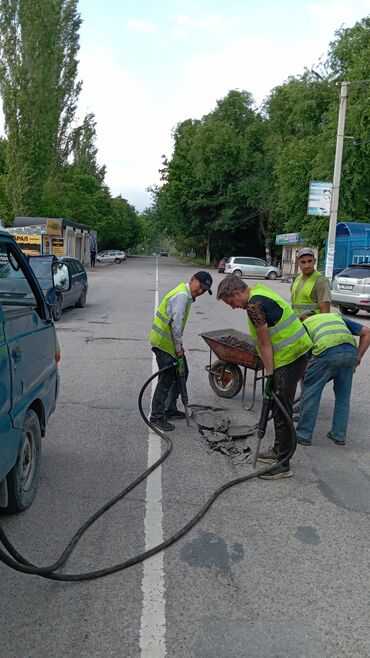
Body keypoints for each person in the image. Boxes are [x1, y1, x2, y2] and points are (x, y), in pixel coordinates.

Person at [217, 274, 312, 480]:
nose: (233, 307)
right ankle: (278, 451)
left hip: (290, 356)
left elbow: (265, 344)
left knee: (281, 409)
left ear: (236, 293)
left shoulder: (254, 307)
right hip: (297, 352)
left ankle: (283, 464)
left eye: (231, 302)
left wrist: (269, 375)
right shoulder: (260, 291)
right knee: (278, 406)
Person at [149, 271, 213, 432]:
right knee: (166, 379)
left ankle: (169, 409)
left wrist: (178, 346)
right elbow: (176, 326)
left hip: (169, 343)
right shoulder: (182, 296)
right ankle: (157, 416)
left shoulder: (185, 294)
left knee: (182, 373)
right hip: (164, 343)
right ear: (192, 279)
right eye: (200, 287)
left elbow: (176, 326)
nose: (200, 291)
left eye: (204, 290)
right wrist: (178, 349)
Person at [296, 312, 370, 446]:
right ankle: (339, 435)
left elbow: (304, 356)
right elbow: (367, 331)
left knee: (311, 394)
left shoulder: (305, 324)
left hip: (326, 353)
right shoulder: (335, 316)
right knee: (343, 397)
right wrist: (358, 356)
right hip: (350, 353)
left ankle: (303, 435)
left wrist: (306, 377)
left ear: (304, 318)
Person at [291, 247, 331, 315]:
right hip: (298, 323)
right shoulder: (297, 279)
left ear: (314, 261)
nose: (307, 265)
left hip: (313, 324)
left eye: (309, 261)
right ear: (298, 263)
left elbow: (325, 313)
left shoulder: (321, 281)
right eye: (303, 262)